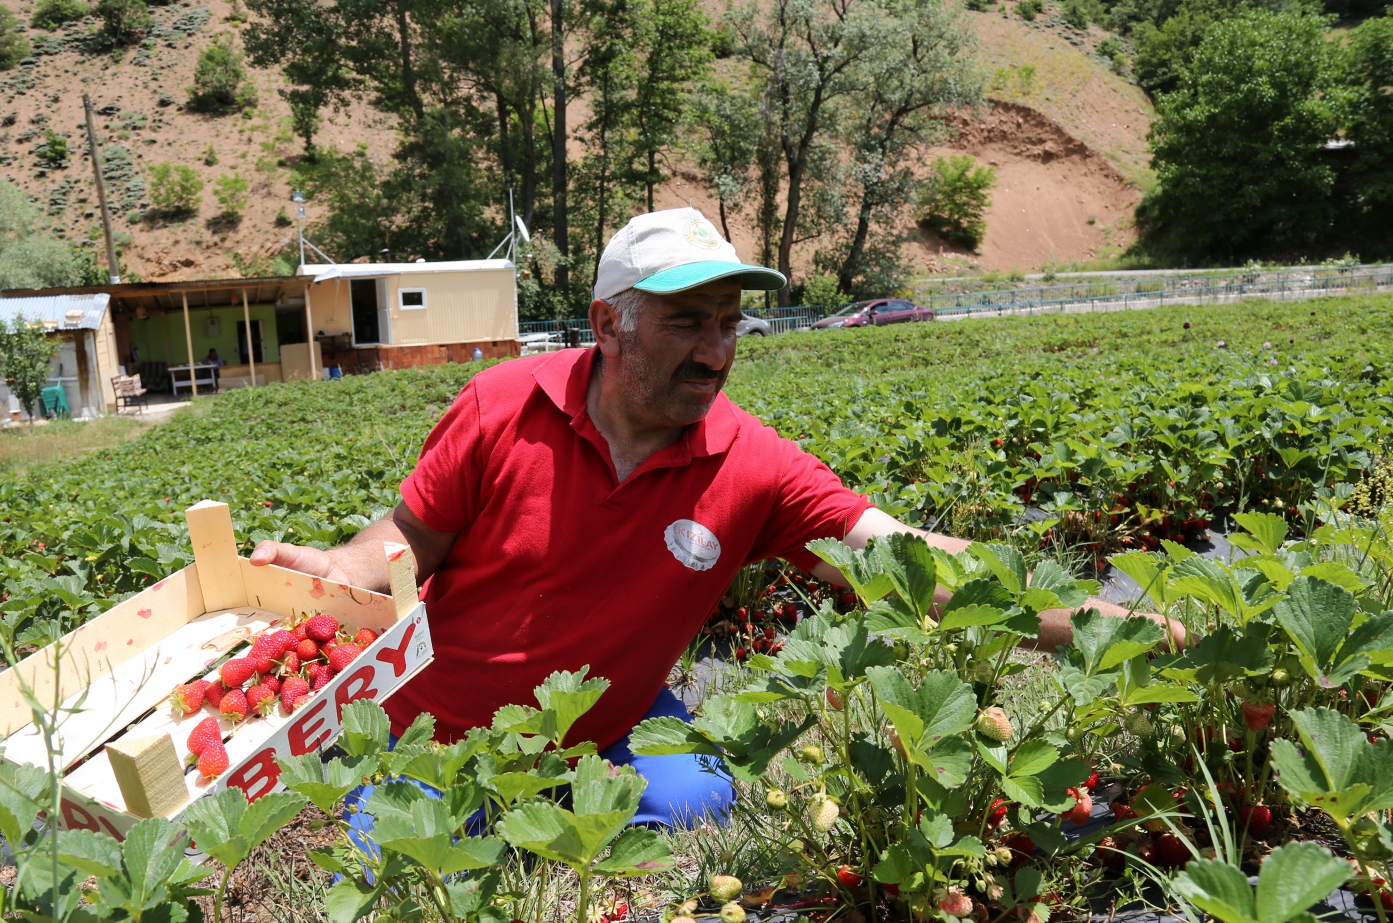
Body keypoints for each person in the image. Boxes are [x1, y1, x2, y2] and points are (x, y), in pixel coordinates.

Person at [249, 208, 1184, 828]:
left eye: (730, 323)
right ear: (607, 323)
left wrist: (1124, 630)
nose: (717, 351)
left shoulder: (754, 465)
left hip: (599, 736)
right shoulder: (501, 405)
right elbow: (406, 540)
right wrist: (335, 569)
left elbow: (907, 560)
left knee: (700, 799)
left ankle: (563, 818)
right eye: (687, 323)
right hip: (438, 737)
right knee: (402, 870)